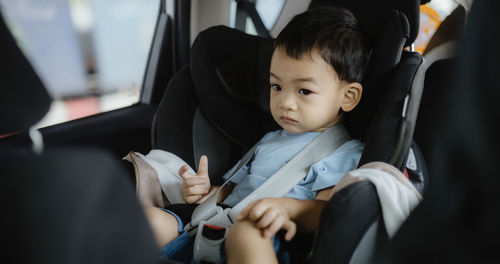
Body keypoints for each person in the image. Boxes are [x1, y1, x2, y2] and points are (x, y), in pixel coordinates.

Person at [143, 6, 371, 263]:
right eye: (277, 86)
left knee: (248, 233)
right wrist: (206, 191)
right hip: (215, 223)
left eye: (304, 91)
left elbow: (325, 210)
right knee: (148, 221)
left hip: (268, 236)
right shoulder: (269, 141)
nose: (285, 102)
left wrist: (287, 209)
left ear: (348, 96)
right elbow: (234, 191)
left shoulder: (346, 153)